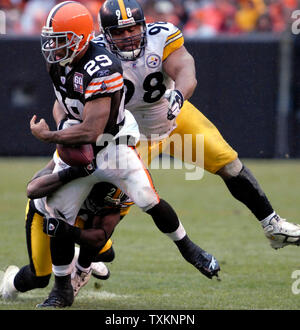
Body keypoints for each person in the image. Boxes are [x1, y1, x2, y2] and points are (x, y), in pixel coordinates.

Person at [29, 1, 220, 308]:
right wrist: (63, 141)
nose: (53, 47)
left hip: (111, 145)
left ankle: (188, 248)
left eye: (61, 39)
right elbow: (64, 106)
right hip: (78, 148)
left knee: (148, 198)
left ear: (79, 37)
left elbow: (92, 130)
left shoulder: (101, 65)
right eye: (51, 39)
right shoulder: (58, 63)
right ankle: (62, 288)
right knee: (58, 212)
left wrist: (50, 136)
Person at [97, 0, 300, 250]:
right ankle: (88, 258)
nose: (128, 37)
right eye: (119, 31)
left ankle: (272, 225)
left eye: (132, 29)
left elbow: (185, 69)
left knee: (229, 164)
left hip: (172, 114)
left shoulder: (160, 37)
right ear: (105, 34)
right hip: (131, 133)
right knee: (115, 202)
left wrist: (179, 94)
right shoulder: (97, 56)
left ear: (143, 25)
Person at [0, 152, 123, 302]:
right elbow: (34, 187)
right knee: (39, 277)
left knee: (105, 253)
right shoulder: (77, 153)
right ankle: (9, 284)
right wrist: (68, 174)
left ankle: (76, 258)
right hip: (46, 214)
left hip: (78, 217)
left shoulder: (122, 173)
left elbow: (100, 232)